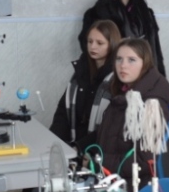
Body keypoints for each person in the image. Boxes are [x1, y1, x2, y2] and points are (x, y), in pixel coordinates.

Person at [86, 38, 169, 186]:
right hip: (109, 177)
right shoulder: (123, 92)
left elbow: (143, 161)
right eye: (119, 59)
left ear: (145, 64)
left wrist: (96, 162)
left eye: (131, 60)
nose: (123, 65)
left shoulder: (152, 105)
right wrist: (78, 147)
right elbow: (107, 133)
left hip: (134, 187)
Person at [79, 0, 166, 76]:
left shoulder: (145, 11)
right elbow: (88, 45)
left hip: (145, 67)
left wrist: (159, 73)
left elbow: (155, 47)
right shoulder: (98, 12)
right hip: (116, 71)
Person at [50, 19, 121, 150]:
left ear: (112, 44)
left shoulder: (117, 78)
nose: (93, 47)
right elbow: (63, 113)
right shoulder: (81, 71)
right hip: (73, 145)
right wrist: (54, 142)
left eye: (100, 43)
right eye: (90, 41)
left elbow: (110, 126)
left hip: (98, 150)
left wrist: (79, 147)